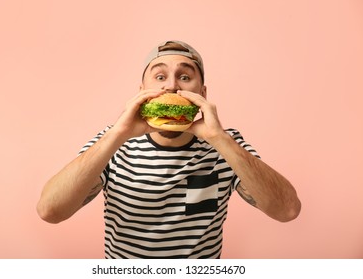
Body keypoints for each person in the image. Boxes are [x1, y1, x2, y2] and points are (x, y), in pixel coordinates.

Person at [37, 40, 301, 259]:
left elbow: (287, 211)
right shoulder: (112, 143)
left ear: (203, 93)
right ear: (141, 92)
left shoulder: (227, 144)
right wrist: (118, 134)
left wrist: (219, 139)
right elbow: (50, 211)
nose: (172, 86)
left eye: (185, 77)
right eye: (160, 76)